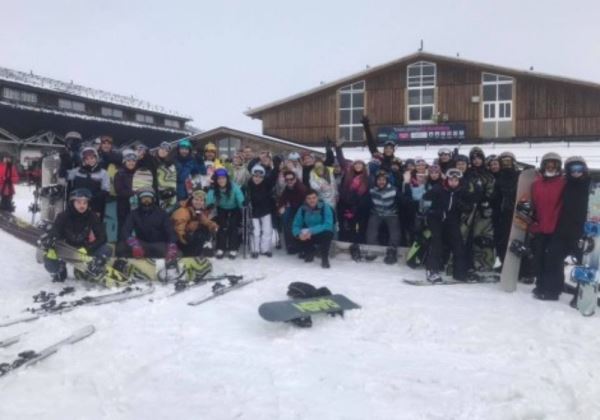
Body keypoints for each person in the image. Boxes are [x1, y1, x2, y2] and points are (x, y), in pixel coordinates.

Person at [40, 188, 113, 282]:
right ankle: (60, 268)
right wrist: (50, 244)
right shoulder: (63, 216)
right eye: (79, 202)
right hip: (65, 248)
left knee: (106, 249)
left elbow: (102, 237)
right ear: (72, 202)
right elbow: (55, 232)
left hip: (83, 249)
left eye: (85, 203)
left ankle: (92, 266)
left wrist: (87, 249)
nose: (82, 205)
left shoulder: (92, 216)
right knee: (51, 261)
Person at [529, 152, 567, 300]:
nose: (551, 167)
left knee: (554, 260)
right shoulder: (536, 184)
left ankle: (553, 290)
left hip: (557, 228)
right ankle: (541, 285)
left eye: (554, 164)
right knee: (539, 257)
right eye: (548, 164)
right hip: (539, 227)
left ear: (559, 166)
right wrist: (531, 221)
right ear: (543, 166)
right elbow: (532, 204)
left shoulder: (564, 183)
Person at [423, 168, 471, 282]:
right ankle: (432, 270)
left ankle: (460, 273)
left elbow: (469, 206)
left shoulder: (462, 191)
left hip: (452, 220)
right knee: (436, 242)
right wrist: (436, 210)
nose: (453, 183)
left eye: (456, 180)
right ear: (447, 179)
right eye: (451, 180)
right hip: (436, 219)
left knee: (458, 243)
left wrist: (462, 205)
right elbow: (425, 199)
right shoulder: (439, 188)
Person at [117, 188, 179, 265]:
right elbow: (125, 231)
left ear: (153, 200)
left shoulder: (162, 213)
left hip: (159, 244)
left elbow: (171, 232)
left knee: (178, 254)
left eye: (148, 198)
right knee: (121, 247)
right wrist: (134, 245)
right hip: (141, 244)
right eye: (144, 198)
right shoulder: (133, 214)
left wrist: (172, 246)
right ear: (140, 200)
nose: (146, 200)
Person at [205, 168, 245, 259]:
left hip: (234, 208)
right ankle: (220, 247)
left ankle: (233, 248)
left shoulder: (234, 187)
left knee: (233, 226)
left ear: (227, 179)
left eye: (223, 178)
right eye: (219, 179)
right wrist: (210, 203)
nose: (221, 180)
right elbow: (210, 198)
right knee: (221, 227)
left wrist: (242, 203)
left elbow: (239, 197)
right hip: (222, 209)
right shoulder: (214, 187)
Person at [366, 170, 402, 264]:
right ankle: (373, 249)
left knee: (394, 231)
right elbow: (365, 201)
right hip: (376, 213)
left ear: (387, 181)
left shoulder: (394, 190)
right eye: (379, 180)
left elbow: (402, 201)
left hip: (391, 213)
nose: (381, 182)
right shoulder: (372, 190)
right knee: (371, 230)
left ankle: (392, 250)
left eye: (383, 180)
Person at [292, 189, 335, 268]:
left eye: (314, 198)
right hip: (308, 235)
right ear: (306, 199)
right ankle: (309, 252)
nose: (312, 200)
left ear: (317, 198)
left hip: (321, 232)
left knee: (328, 234)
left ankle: (324, 258)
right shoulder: (302, 209)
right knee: (296, 237)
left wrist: (311, 231)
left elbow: (328, 224)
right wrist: (299, 235)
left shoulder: (325, 207)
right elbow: (295, 226)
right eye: (309, 198)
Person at [246, 161, 280, 258]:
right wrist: (246, 200)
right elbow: (245, 196)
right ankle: (255, 249)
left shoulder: (267, 183)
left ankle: (265, 249)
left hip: (266, 210)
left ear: (263, 177)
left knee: (267, 230)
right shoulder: (249, 185)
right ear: (252, 176)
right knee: (255, 231)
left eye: (260, 177)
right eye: (255, 176)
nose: (257, 178)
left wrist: (276, 166)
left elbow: (273, 176)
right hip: (253, 211)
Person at [172, 189, 218, 257]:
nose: (199, 202)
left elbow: (205, 221)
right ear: (191, 200)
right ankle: (188, 254)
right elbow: (178, 228)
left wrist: (213, 226)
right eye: (196, 200)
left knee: (204, 229)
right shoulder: (183, 210)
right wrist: (184, 238)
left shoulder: (197, 211)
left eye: (201, 200)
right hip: (179, 240)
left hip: (188, 236)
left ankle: (200, 251)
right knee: (199, 234)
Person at [67, 146, 110, 218]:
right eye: (87, 159)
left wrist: (91, 197)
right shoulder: (76, 171)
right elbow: (64, 179)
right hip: (78, 205)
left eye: (92, 158)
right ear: (83, 160)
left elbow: (106, 190)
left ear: (96, 158)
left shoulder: (103, 173)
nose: (90, 161)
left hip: (95, 206)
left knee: (93, 226)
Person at [277, 170, 307, 254]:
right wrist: (281, 207)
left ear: (295, 179)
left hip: (303, 210)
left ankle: (301, 246)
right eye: (287, 180)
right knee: (286, 219)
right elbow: (282, 199)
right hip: (294, 209)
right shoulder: (288, 188)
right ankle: (291, 245)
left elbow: (305, 202)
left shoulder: (301, 188)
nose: (289, 181)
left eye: (291, 179)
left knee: (297, 224)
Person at [114, 150, 138, 240]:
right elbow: (119, 190)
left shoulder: (139, 173)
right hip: (123, 205)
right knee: (123, 227)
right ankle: (121, 247)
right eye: (129, 161)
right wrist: (134, 192)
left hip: (137, 205)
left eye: (133, 161)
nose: (131, 163)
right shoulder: (120, 173)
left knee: (137, 226)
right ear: (125, 161)